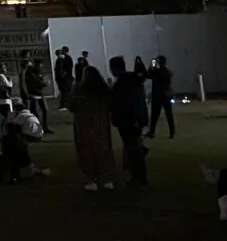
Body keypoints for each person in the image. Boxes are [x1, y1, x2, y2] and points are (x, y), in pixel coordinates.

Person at [71, 65, 117, 190]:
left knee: (86, 151)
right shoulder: (103, 90)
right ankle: (107, 179)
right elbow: (111, 104)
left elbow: (71, 105)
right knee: (104, 150)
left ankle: (92, 180)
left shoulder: (79, 89)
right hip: (100, 123)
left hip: (84, 124)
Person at [108, 57, 149, 186]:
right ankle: (137, 175)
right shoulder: (132, 80)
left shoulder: (123, 83)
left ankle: (138, 177)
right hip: (132, 120)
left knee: (132, 148)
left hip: (128, 120)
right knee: (133, 147)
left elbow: (124, 103)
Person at [146, 55, 176, 140]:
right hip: (166, 95)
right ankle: (172, 132)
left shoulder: (156, 71)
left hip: (157, 96)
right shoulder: (167, 72)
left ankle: (151, 133)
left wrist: (151, 65)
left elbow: (148, 75)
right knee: (169, 115)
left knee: (154, 116)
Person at [22, 60, 51, 133]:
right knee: (36, 113)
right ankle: (38, 128)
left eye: (41, 66)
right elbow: (35, 83)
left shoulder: (39, 72)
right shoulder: (29, 73)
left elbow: (42, 80)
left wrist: (44, 82)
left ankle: (45, 127)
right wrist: (44, 83)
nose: (40, 68)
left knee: (45, 110)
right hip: (33, 94)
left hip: (41, 94)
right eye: (39, 66)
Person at [54, 46, 75, 111]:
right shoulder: (61, 59)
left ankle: (65, 105)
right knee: (64, 92)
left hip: (67, 78)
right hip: (64, 78)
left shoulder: (67, 58)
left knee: (65, 91)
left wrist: (64, 73)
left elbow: (68, 68)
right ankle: (65, 104)